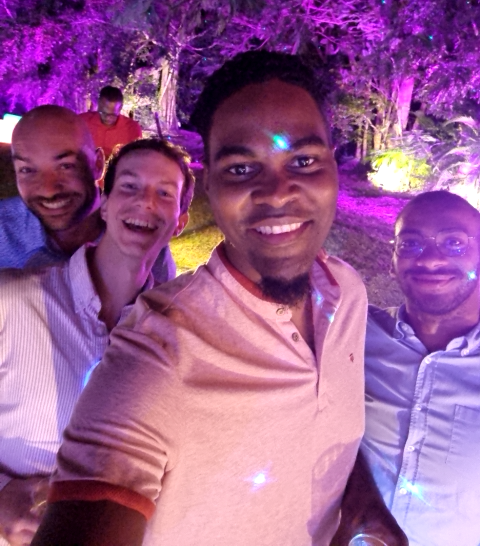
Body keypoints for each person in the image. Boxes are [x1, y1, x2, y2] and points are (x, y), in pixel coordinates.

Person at [33, 51, 406, 546]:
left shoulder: (348, 295)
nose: (277, 192)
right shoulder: (159, 353)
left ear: (334, 167)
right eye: (241, 168)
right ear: (208, 185)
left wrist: (361, 497)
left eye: (303, 161)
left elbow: (324, 416)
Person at [0, 138, 194, 546]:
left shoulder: (176, 337)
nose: (144, 201)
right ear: (104, 204)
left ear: (180, 221)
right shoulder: (11, 302)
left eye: (164, 193)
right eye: (129, 186)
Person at [362, 190, 480, 546]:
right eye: (410, 244)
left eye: (454, 243)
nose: (430, 259)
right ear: (392, 259)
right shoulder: (355, 335)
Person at [0, 105, 176, 282]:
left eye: (66, 166)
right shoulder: (3, 229)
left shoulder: (143, 238)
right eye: (27, 170)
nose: (48, 190)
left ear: (97, 165)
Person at [79, 86, 142, 159]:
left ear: (120, 108)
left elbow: (137, 158)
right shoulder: (82, 121)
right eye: (103, 113)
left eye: (112, 115)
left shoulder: (132, 128)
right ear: (99, 104)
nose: (107, 118)